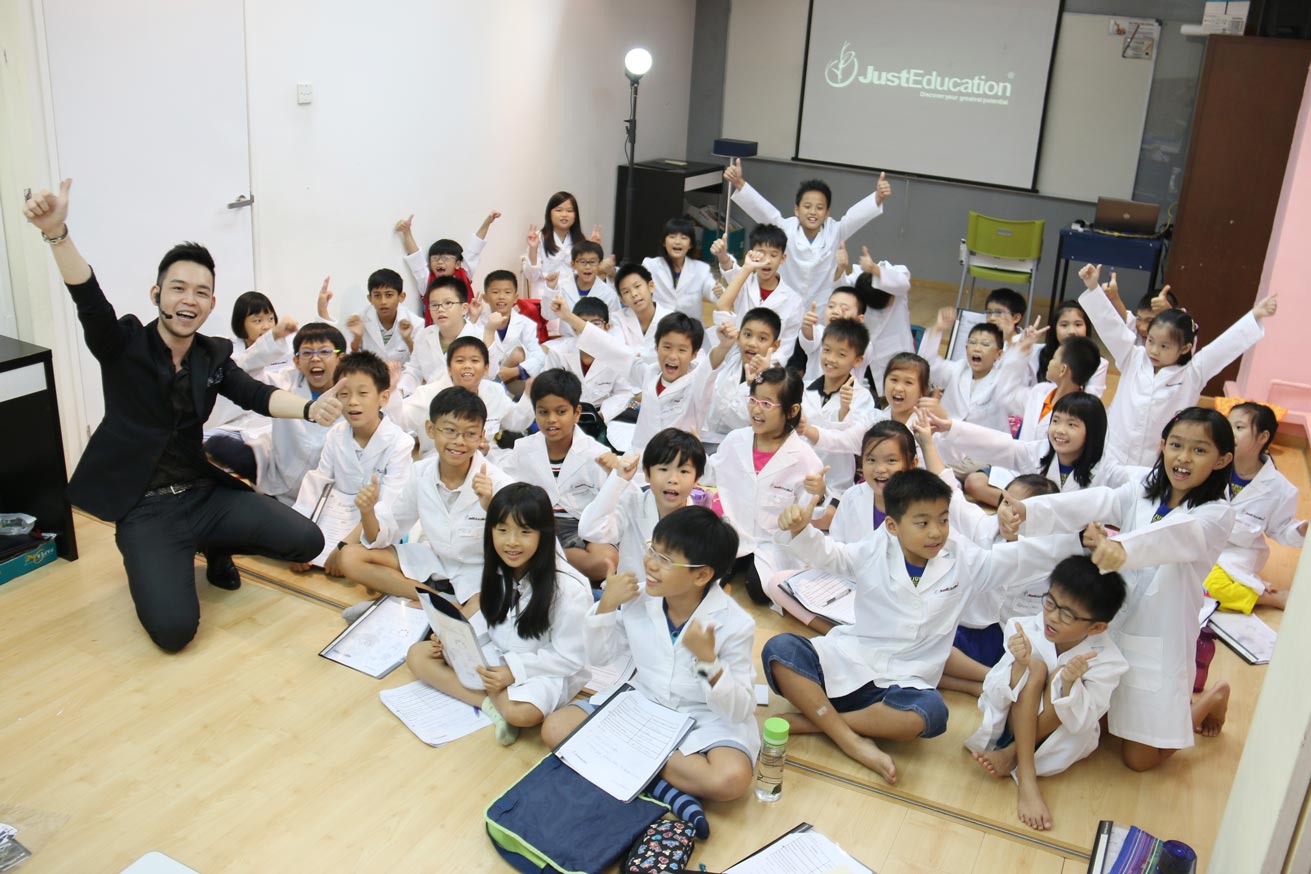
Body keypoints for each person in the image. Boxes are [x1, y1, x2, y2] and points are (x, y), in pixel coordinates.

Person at [22, 178, 340, 652]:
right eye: (178, 289)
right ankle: (152, 554)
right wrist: (56, 233)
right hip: (145, 506)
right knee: (174, 632)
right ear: (157, 294)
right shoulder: (124, 343)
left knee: (308, 540)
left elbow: (254, 394)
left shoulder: (212, 354)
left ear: (212, 304)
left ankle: (216, 544)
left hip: (202, 492)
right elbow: (88, 297)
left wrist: (310, 408)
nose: (189, 299)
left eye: (202, 292)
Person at [761, 468, 1075, 785]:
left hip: (905, 681)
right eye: (922, 523)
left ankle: (818, 721)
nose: (936, 533)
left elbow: (1023, 557)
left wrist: (1078, 539)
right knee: (780, 650)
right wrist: (801, 530)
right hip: (851, 658)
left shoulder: (964, 559)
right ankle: (851, 740)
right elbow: (831, 555)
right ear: (893, 525)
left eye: (943, 520)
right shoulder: (874, 549)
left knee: (930, 713)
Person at [1006, 408, 1240, 771]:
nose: (1183, 458)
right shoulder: (1145, 489)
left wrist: (1121, 546)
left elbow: (1175, 537)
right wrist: (1030, 509)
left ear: (1222, 459)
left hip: (1158, 636)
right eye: (1176, 445)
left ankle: (1212, 698)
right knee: (1090, 722)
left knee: (1139, 760)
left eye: (1199, 450)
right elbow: (1098, 501)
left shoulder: (1216, 513)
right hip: (1113, 627)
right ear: (1162, 446)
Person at [541, 506, 757, 839]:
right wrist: (606, 605)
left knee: (730, 779)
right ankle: (667, 790)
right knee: (555, 728)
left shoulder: (736, 624)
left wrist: (709, 664)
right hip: (644, 702)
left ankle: (635, 769)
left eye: (666, 559)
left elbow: (740, 710)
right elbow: (600, 657)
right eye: (651, 550)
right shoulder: (638, 596)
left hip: (703, 716)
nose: (650, 564)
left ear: (702, 575)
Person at [407, 483, 592, 745]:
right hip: (498, 655)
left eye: (524, 532)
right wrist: (454, 639)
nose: (511, 542)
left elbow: (568, 658)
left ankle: (497, 701)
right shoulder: (499, 567)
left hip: (541, 668)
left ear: (543, 534)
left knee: (522, 713)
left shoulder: (569, 589)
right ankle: (491, 705)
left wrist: (513, 672)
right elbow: (489, 616)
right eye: (502, 530)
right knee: (418, 654)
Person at [965, 557, 1129, 832]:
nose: (1052, 617)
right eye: (1050, 602)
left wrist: (1069, 687)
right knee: (1035, 666)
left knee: (1061, 676)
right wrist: (1018, 666)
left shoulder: (1109, 661)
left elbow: (1084, 721)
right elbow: (993, 690)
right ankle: (1023, 769)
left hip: (1056, 739)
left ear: (1097, 627)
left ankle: (1019, 762)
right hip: (1012, 720)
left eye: (1067, 615)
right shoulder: (1023, 628)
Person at [1078, 263, 1275, 466]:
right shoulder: (1133, 356)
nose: (1154, 350)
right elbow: (1111, 327)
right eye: (1151, 341)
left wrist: (1255, 316)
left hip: (1158, 461)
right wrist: (1093, 289)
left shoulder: (1193, 373)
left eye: (1164, 346)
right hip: (1113, 451)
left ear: (1185, 348)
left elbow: (1222, 348)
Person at [340, 386, 514, 613]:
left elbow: (516, 546)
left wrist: (491, 507)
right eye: (450, 430)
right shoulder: (421, 472)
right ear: (430, 429)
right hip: (435, 557)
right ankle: (439, 602)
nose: (459, 441)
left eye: (470, 434)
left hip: (478, 570)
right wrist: (367, 512)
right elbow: (391, 528)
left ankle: (410, 609)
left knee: (480, 613)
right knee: (350, 557)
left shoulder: (499, 483)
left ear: (482, 436)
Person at [702, 367, 824, 604]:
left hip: (773, 542)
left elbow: (811, 512)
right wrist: (693, 456)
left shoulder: (804, 457)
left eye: (767, 404)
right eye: (753, 400)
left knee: (761, 591)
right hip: (733, 531)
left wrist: (818, 494)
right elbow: (712, 474)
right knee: (705, 575)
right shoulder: (736, 440)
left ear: (792, 410)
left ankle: (750, 566)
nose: (756, 410)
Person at [290, 351, 414, 576]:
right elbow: (317, 487)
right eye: (344, 394)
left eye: (363, 393)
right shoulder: (336, 434)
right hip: (333, 522)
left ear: (383, 397)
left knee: (357, 563)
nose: (353, 402)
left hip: (377, 528)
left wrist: (344, 547)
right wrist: (297, 540)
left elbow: (389, 508)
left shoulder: (401, 444)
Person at [490, 369, 618, 583]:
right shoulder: (523, 449)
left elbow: (615, 502)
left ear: (576, 412)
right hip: (537, 525)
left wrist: (616, 473)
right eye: (543, 412)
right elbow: (503, 485)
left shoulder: (596, 454)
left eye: (561, 412)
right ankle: (541, 559)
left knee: (605, 562)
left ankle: (538, 558)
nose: (552, 420)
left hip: (579, 526)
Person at [557, 295, 721, 454]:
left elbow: (712, 364)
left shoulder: (697, 382)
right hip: (641, 457)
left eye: (682, 350)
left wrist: (725, 345)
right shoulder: (648, 374)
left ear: (694, 354)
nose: (672, 356)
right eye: (667, 347)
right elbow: (610, 348)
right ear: (656, 347)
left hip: (679, 462)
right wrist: (568, 316)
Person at [722, 160, 891, 309]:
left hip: (820, 306)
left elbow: (855, 216)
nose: (813, 212)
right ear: (797, 209)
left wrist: (878, 197)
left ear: (827, 212)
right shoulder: (785, 228)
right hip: (785, 303)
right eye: (807, 206)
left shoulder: (835, 231)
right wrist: (739, 183)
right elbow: (763, 210)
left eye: (819, 208)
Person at [957, 335, 1103, 507]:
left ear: (1063, 369)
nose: (1049, 362)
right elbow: (1006, 396)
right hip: (1019, 465)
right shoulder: (1041, 391)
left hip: (1047, 477)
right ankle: (1023, 503)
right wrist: (1019, 355)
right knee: (974, 483)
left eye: (1053, 358)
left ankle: (1026, 505)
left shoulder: (1084, 409)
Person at [1205, 402, 1306, 612]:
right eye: (1227, 425)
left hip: (1237, 553)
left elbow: (1281, 531)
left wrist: (1302, 530)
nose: (1229, 432)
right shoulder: (1212, 464)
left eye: (1239, 427)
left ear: (1262, 437)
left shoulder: (1280, 489)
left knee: (1210, 586)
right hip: (1201, 540)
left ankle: (1270, 598)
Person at [577, 428, 707, 577]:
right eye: (663, 469)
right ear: (646, 474)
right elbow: (590, 530)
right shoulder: (631, 505)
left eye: (684, 471)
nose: (673, 479)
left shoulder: (701, 524)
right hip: (630, 591)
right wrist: (618, 479)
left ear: (697, 479)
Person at [202, 290, 297, 480]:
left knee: (272, 449)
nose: (266, 326)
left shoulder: (285, 347)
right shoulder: (227, 349)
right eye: (257, 320)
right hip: (234, 425)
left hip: (268, 424)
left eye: (270, 319)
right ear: (241, 324)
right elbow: (243, 366)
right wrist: (272, 338)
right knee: (200, 443)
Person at [253, 322, 346, 504]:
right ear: (296, 361)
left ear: (340, 359)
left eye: (324, 352)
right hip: (277, 488)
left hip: (326, 499)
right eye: (307, 353)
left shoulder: (352, 392)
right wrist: (272, 338)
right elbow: (242, 375)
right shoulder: (285, 383)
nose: (315, 358)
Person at [403, 337, 532, 455]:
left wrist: (529, 394)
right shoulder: (427, 395)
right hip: (437, 464)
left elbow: (517, 421)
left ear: (486, 368)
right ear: (449, 368)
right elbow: (398, 419)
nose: (467, 366)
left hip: (483, 462)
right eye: (460, 361)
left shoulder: (495, 392)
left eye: (475, 360)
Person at [800, 317, 876, 513]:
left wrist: (844, 411)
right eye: (826, 350)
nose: (831, 359)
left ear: (857, 360)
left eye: (841, 354)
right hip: (797, 476)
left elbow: (851, 441)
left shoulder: (862, 397)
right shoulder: (803, 388)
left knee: (824, 516)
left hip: (835, 483)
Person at [713, 225, 802, 363]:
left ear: (783, 258)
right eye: (761, 253)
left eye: (773, 255)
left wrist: (765, 365)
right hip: (736, 356)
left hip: (768, 365)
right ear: (750, 254)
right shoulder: (744, 279)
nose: (767, 260)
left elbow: (786, 346)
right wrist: (723, 256)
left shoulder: (794, 301)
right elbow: (731, 270)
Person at [540, 298, 637, 423]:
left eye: (596, 323)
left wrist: (602, 416)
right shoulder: (558, 353)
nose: (589, 329)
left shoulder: (616, 355)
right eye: (583, 323)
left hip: (602, 414)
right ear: (574, 327)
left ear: (607, 327)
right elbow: (548, 389)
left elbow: (623, 392)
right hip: (563, 414)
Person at [395, 210, 499, 323]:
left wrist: (487, 222)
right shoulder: (427, 281)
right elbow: (416, 260)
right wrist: (407, 232)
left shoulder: (464, 273)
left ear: (457, 264)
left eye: (445, 258)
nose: (440, 262)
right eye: (435, 258)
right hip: (438, 330)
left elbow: (474, 249)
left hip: (467, 327)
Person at [394, 275, 487, 397]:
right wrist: (400, 391)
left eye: (447, 303)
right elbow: (414, 371)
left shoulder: (481, 337)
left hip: (469, 400)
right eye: (434, 305)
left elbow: (488, 376)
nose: (440, 309)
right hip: (429, 400)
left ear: (464, 308)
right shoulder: (424, 335)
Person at [920, 308, 1010, 434]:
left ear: (998, 354)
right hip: (946, 438)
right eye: (972, 342)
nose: (977, 348)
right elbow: (927, 365)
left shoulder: (1003, 381)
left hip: (983, 442)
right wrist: (938, 328)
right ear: (966, 347)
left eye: (985, 344)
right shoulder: (957, 369)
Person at [703, 307, 781, 444]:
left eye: (762, 338)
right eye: (747, 335)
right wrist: (724, 342)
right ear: (738, 337)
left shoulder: (777, 381)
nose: (752, 343)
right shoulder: (732, 355)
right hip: (705, 435)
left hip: (740, 446)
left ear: (775, 345)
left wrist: (762, 378)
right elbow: (710, 365)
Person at [478, 268, 545, 397]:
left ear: (515, 298)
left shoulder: (526, 324)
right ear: (485, 298)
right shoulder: (478, 324)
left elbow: (538, 356)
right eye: (495, 292)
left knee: (519, 353)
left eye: (507, 292)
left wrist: (516, 371)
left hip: (515, 380)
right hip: (485, 380)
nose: (501, 297)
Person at [641, 216, 717, 319]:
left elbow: (716, 295)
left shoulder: (701, 269)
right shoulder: (650, 266)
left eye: (683, 238)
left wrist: (719, 292)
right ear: (663, 242)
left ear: (690, 244)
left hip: (689, 327)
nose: (677, 242)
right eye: (672, 237)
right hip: (659, 325)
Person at [524, 191, 592, 300]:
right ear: (549, 214)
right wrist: (533, 248)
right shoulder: (538, 237)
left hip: (572, 297)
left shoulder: (580, 240)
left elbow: (586, 274)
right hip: (544, 297)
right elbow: (532, 276)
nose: (564, 214)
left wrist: (593, 249)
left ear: (575, 215)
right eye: (559, 210)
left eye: (569, 210)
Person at [343, 269, 417, 363]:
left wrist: (408, 340)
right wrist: (357, 338)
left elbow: (420, 361)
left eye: (389, 295)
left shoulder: (415, 323)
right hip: (369, 371)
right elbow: (349, 361)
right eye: (377, 295)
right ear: (370, 298)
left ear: (401, 297)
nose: (383, 302)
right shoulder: (357, 321)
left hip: (404, 372)